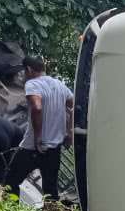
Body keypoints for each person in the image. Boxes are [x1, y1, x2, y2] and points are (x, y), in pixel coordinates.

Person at [5, 55, 74, 202]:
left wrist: (38, 137)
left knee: (10, 183)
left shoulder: (32, 84)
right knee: (50, 192)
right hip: (54, 149)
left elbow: (37, 107)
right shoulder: (60, 85)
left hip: (32, 147)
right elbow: (74, 107)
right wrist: (69, 132)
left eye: (24, 71)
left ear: (29, 69)